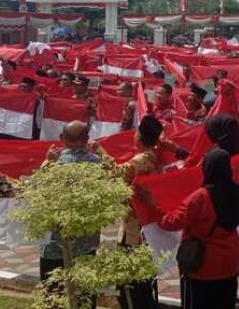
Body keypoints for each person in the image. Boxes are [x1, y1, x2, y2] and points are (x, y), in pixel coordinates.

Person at [139, 148, 239, 309]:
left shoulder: (200, 198)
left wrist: (152, 204)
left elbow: (172, 222)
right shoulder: (238, 192)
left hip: (203, 266)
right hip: (229, 263)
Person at [98, 116, 163, 309]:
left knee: (128, 283)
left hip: (133, 227)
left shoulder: (139, 160)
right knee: (142, 281)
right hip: (147, 225)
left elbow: (116, 177)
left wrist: (100, 152)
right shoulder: (156, 156)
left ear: (140, 138)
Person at [40, 121, 102, 309]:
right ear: (86, 139)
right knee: (85, 294)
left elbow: (39, 194)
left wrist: (47, 161)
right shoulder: (98, 164)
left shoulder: (54, 165)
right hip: (87, 241)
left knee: (53, 294)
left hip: (55, 243)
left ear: (62, 139)